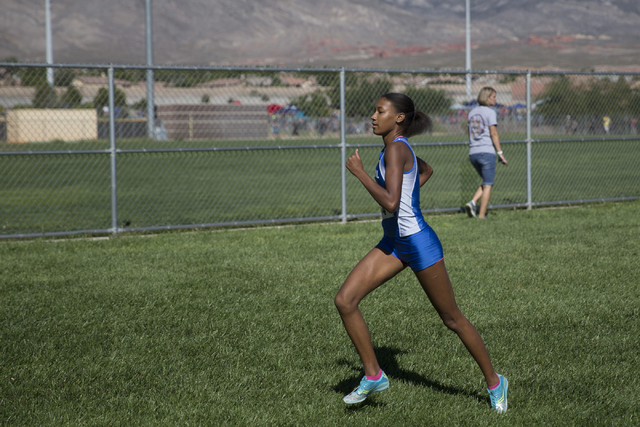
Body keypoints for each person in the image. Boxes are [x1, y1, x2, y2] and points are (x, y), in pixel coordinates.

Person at [334, 92, 508, 412]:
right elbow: (425, 171)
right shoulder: (395, 149)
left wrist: (358, 172)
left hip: (417, 243)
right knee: (345, 300)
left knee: (452, 318)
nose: (373, 116)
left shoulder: (396, 149)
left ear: (398, 118)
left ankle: (496, 382)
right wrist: (407, 199)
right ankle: (374, 375)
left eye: (380, 111)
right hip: (394, 242)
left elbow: (389, 201)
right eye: (374, 110)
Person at [464, 87, 507, 219]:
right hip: (486, 152)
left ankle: (473, 202)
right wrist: (500, 152)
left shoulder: (471, 113)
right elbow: (493, 133)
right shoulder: (490, 112)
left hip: (473, 153)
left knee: (486, 181)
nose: (495, 99)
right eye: (494, 96)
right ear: (487, 97)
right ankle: (482, 216)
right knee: (488, 184)